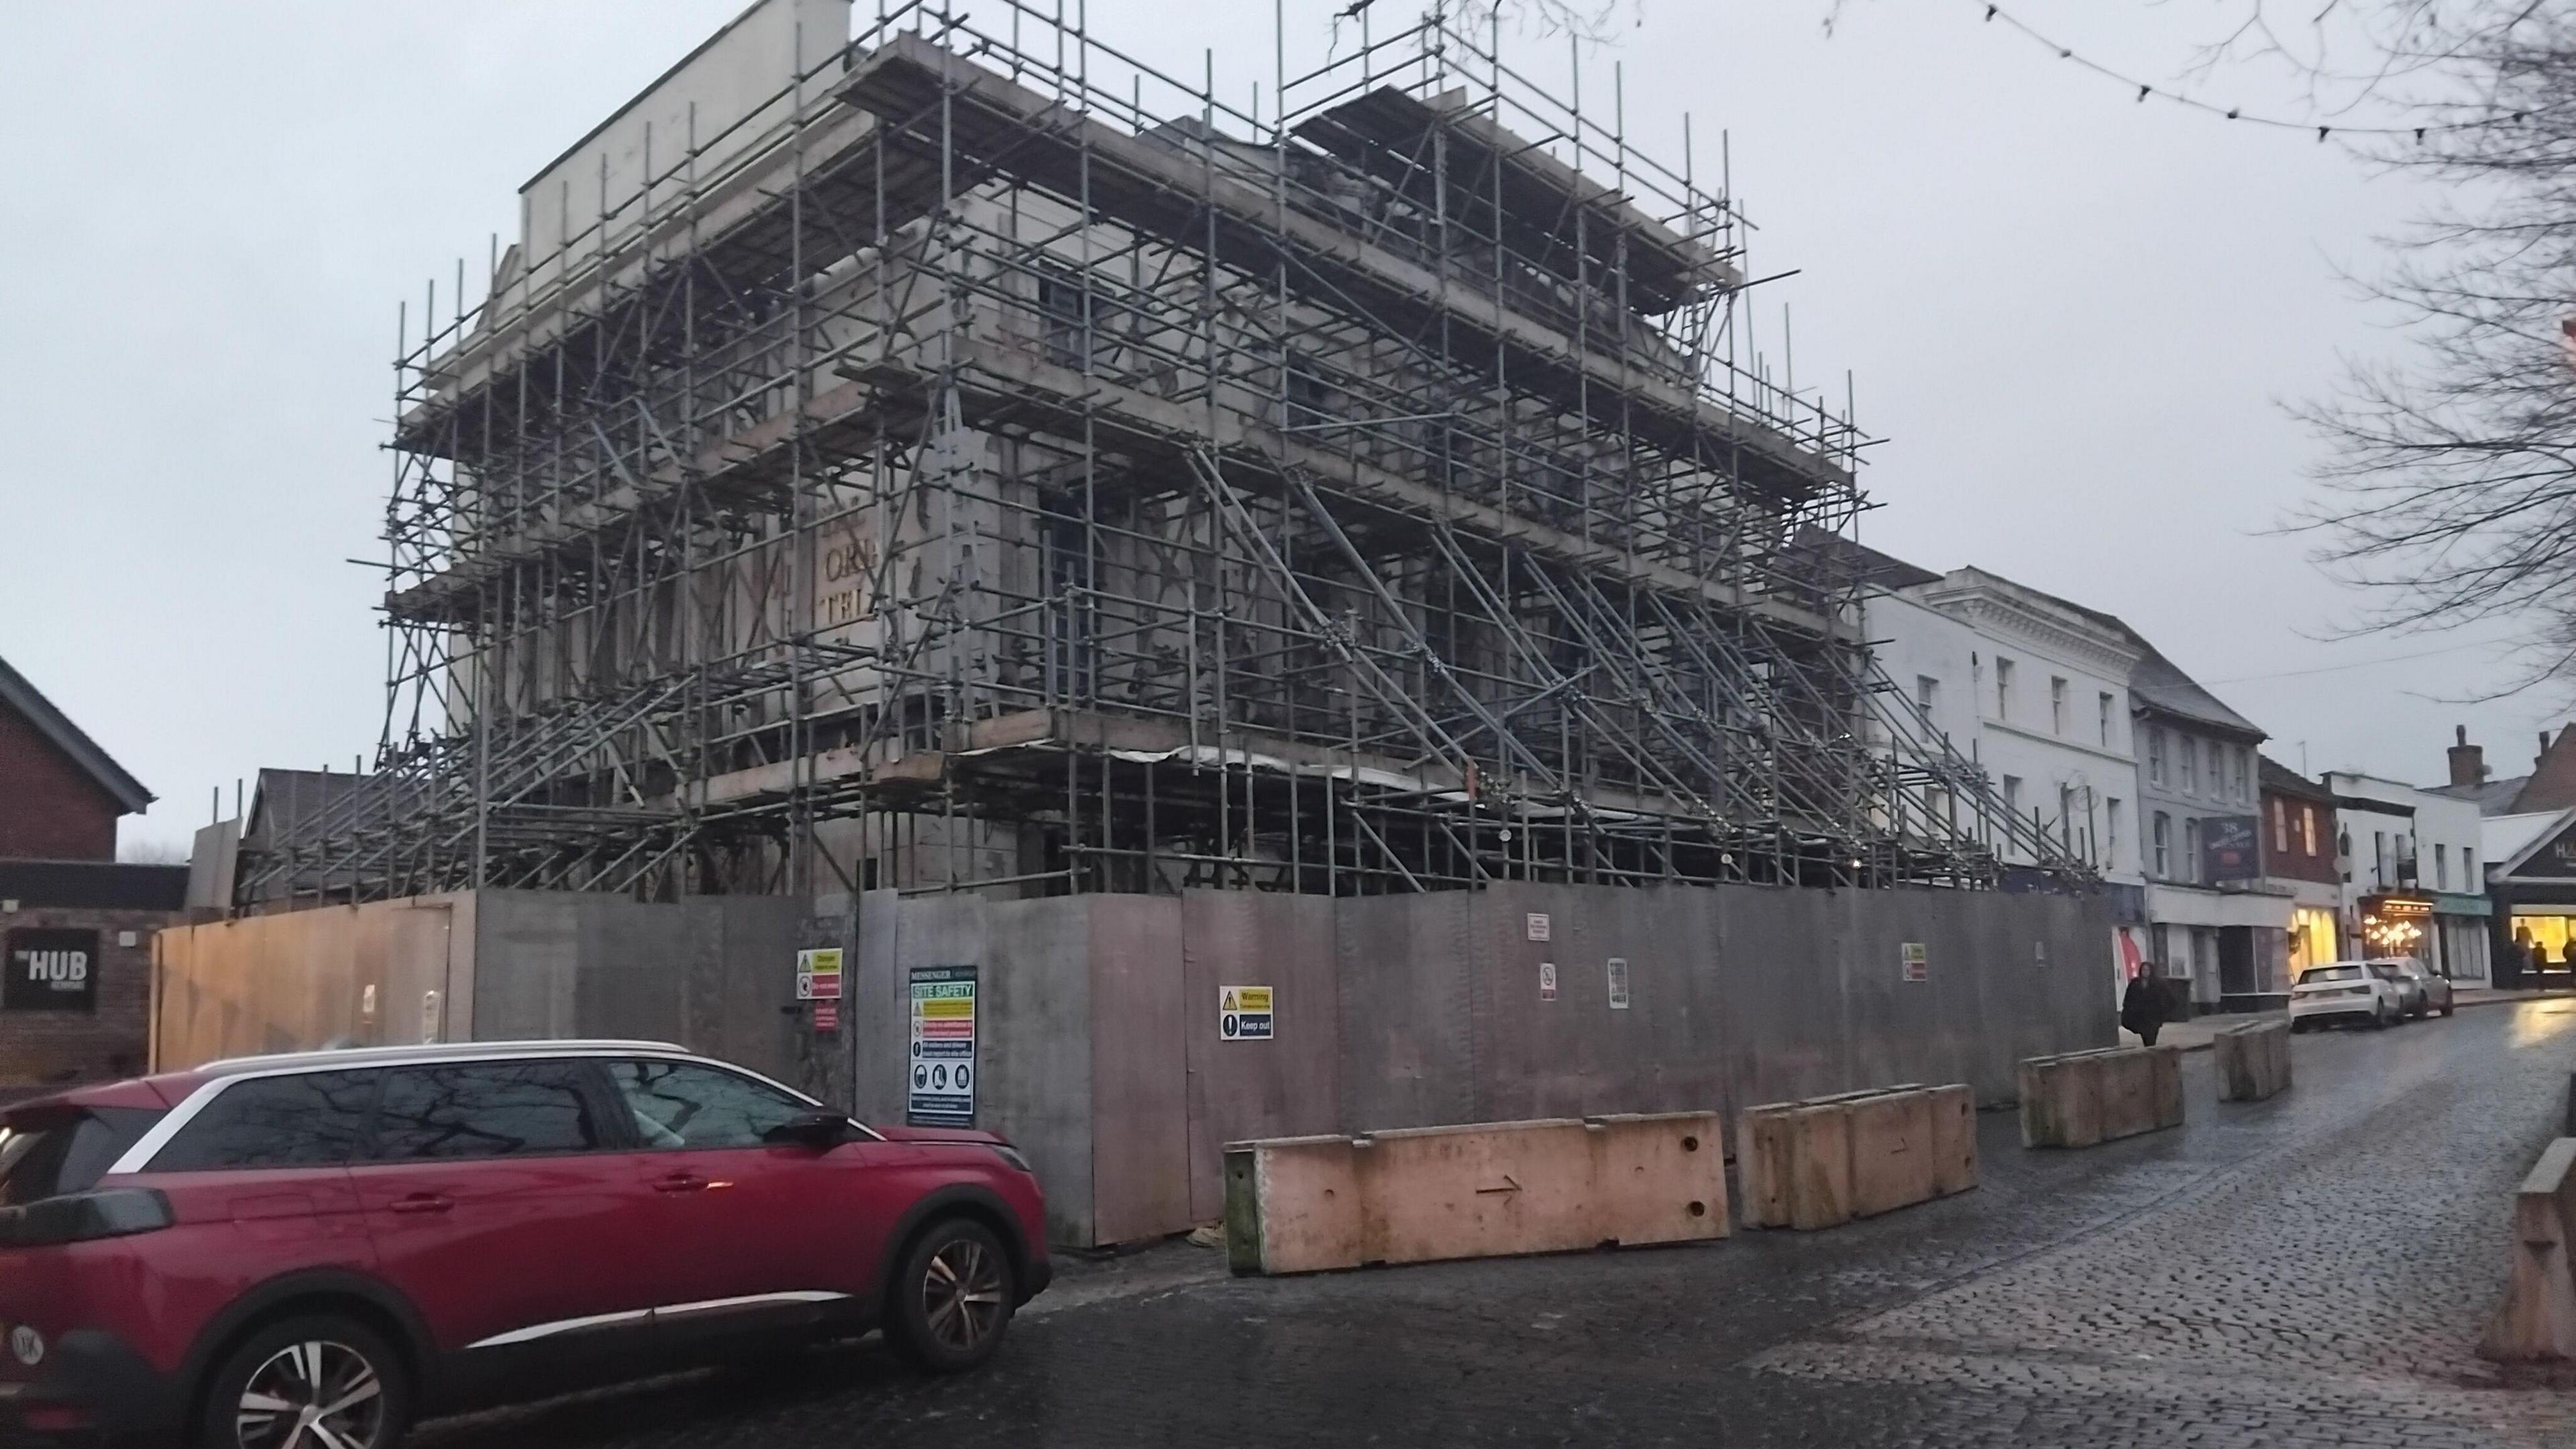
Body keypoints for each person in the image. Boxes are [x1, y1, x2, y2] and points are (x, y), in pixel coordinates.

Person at [2121, 965, 2165, 1046]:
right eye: (2144, 970)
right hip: (2141, 1016)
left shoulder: (2157, 984)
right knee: (2146, 1036)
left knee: (2151, 1037)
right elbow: (2129, 998)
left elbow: (2162, 999)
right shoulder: (2135, 983)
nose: (2145, 972)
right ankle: (2149, 1051)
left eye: (2147, 970)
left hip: (2153, 1017)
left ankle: (2151, 1052)